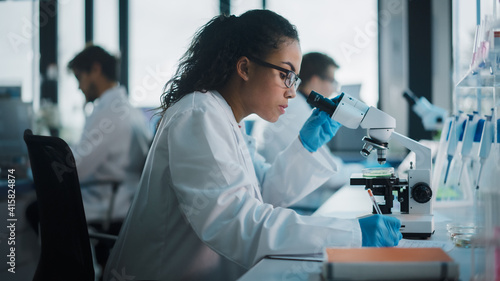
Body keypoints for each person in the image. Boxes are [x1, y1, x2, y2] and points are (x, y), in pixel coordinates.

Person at [104, 10, 401, 281]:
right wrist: (349, 233)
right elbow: (236, 223)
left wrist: (305, 147)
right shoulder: (198, 114)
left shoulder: (229, 119)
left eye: (295, 79)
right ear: (245, 68)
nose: (291, 92)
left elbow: (263, 193)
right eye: (285, 75)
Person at [251, 52, 362, 210]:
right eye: (332, 81)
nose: (334, 88)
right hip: (296, 206)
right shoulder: (294, 110)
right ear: (316, 81)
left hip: (290, 198)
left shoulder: (297, 107)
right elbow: (330, 177)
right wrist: (365, 172)